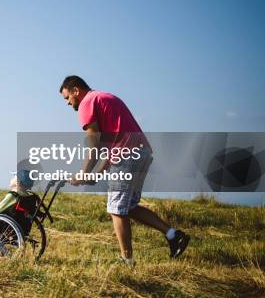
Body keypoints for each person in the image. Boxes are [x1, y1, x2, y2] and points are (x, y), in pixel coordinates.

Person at [59, 75, 190, 264]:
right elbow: (113, 145)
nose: (68, 103)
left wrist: (83, 173)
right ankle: (173, 235)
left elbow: (94, 143)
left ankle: (126, 260)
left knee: (116, 208)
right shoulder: (103, 98)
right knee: (129, 206)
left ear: (76, 91)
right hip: (141, 153)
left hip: (127, 156)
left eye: (67, 98)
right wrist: (96, 174)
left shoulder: (87, 102)